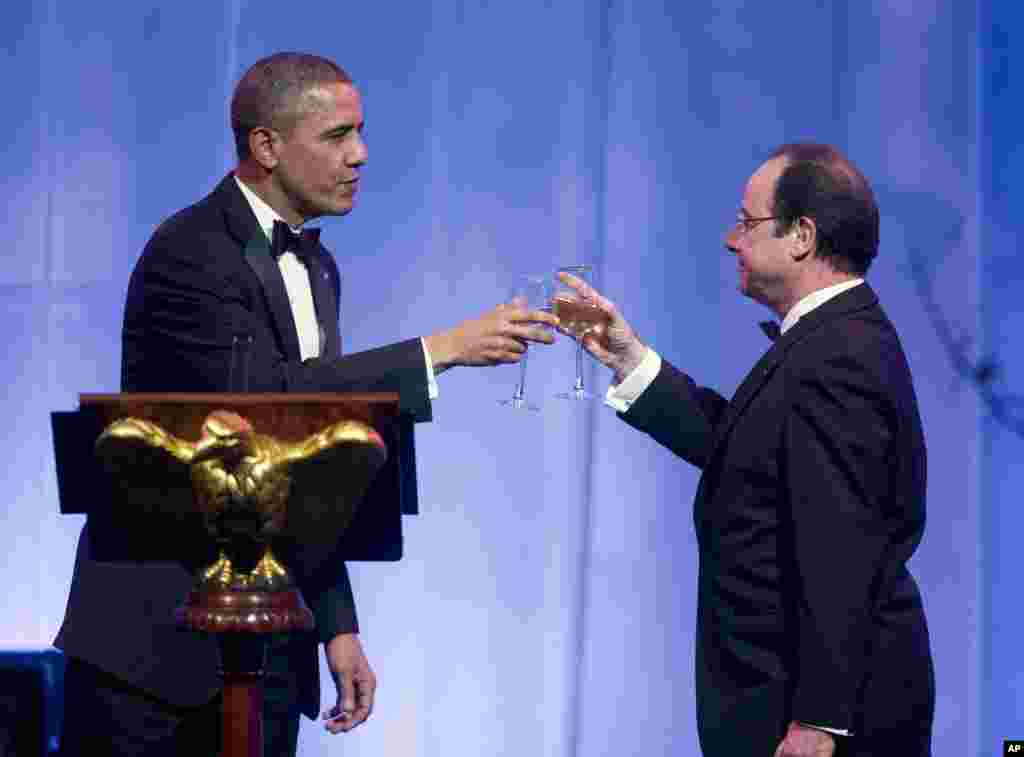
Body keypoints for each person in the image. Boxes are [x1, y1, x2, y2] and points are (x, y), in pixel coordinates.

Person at [54, 51, 557, 756]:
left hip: (265, 653)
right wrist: (438, 349)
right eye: (337, 135)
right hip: (155, 654)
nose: (361, 154)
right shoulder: (190, 252)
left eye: (361, 133)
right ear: (266, 146)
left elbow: (303, 470)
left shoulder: (318, 266)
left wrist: (337, 622)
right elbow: (260, 409)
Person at [560, 143, 934, 757]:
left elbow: (840, 543)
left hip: (811, 722)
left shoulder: (840, 355)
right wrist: (630, 357)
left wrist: (821, 719)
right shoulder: (829, 340)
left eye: (746, 221)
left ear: (801, 236)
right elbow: (745, 451)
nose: (731, 239)